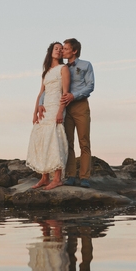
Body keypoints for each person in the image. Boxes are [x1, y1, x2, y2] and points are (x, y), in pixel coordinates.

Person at [37, 38, 95, 188]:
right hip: (64, 107)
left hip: (80, 105)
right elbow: (50, 87)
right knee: (67, 142)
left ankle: (84, 177)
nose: (62, 50)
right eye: (61, 48)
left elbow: (90, 86)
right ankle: (69, 175)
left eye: (66, 48)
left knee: (84, 141)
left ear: (74, 51)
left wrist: (74, 95)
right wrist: (41, 104)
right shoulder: (61, 67)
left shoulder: (85, 65)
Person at [26, 42, 71, 190]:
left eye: (60, 49)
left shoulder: (63, 69)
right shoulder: (46, 72)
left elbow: (65, 93)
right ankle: (44, 177)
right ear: (50, 52)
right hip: (45, 108)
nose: (58, 51)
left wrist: (60, 111)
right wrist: (34, 112)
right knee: (41, 138)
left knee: (54, 138)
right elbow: (40, 93)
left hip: (56, 106)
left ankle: (57, 178)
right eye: (56, 49)